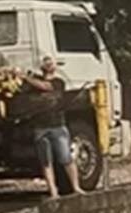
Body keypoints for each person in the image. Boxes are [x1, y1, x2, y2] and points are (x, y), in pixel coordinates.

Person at [20, 56, 85, 199]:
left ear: (55, 66)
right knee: (45, 162)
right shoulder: (31, 85)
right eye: (46, 62)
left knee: (66, 158)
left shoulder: (58, 82)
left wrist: (25, 77)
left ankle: (76, 187)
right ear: (41, 66)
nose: (48, 64)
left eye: (51, 62)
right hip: (39, 127)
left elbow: (46, 87)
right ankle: (53, 192)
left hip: (57, 126)